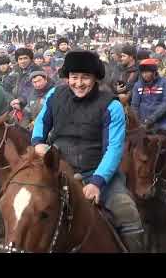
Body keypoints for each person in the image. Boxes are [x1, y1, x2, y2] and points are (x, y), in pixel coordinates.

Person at [31, 49, 144, 252]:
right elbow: (42, 120)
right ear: (67, 77)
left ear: (95, 79)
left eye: (85, 77)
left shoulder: (111, 106)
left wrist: (97, 183)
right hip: (58, 170)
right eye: (74, 77)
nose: (79, 83)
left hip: (97, 172)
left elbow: (114, 148)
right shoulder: (54, 94)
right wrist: (38, 141)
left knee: (128, 213)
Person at [131, 58, 166, 131]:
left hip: (162, 121)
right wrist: (138, 122)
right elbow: (135, 105)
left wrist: (151, 119)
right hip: (142, 121)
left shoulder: (165, 83)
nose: (145, 74)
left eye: (148, 71)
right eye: (143, 72)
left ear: (154, 72)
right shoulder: (137, 85)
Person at [9, 48, 41, 113]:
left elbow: (32, 89)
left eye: (25, 58)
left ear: (30, 59)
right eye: (20, 59)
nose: (23, 61)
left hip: (32, 105)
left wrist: (20, 100)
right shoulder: (16, 70)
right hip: (18, 103)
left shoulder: (36, 71)